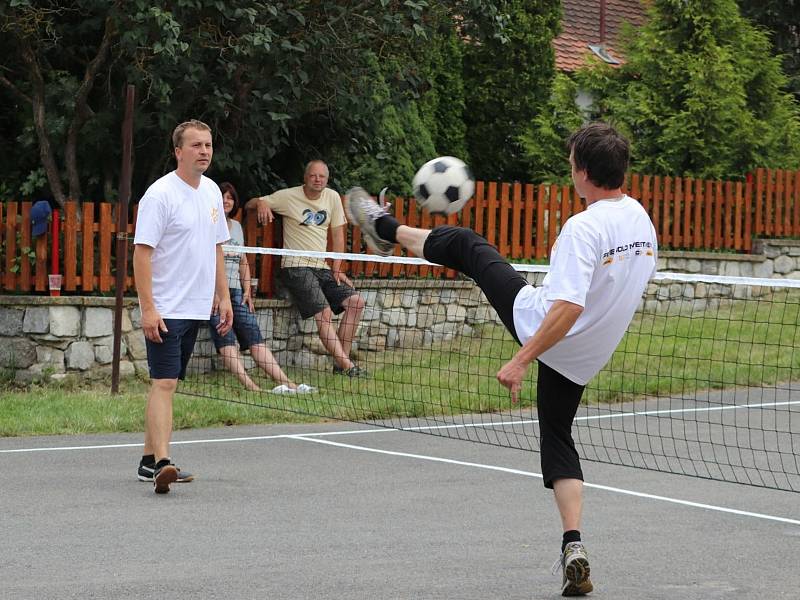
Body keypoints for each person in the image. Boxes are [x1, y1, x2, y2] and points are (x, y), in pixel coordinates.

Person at [345, 122, 658, 597]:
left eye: (572, 161)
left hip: (540, 325)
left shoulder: (584, 227)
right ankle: (573, 543)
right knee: (556, 433)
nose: (569, 168)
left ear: (584, 172)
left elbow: (568, 307)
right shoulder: (639, 218)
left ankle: (384, 229)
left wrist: (521, 359)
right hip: (587, 354)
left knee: (469, 244)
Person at [133, 119, 233, 494]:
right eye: (195, 145)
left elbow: (217, 247)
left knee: (168, 385)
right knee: (164, 382)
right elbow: (141, 255)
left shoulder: (210, 192)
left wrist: (223, 296)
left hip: (196, 308)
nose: (204, 151)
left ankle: (147, 460)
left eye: (207, 145)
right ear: (178, 151)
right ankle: (162, 462)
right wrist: (148, 309)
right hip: (165, 308)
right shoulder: (159, 195)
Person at [245, 160, 368, 377]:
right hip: (296, 266)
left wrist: (337, 267)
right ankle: (349, 368)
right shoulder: (288, 196)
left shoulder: (332, 198)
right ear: (305, 177)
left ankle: (341, 365)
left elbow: (338, 234)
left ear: (327, 179)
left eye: (322, 176)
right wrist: (261, 203)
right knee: (325, 313)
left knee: (356, 303)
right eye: (313, 175)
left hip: (322, 267)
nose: (317, 180)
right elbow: (249, 204)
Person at [211, 181, 314, 394]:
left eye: (230, 197)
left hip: (236, 293)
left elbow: (243, 262)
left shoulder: (237, 228)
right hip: (214, 295)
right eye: (222, 196)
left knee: (255, 336)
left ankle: (288, 383)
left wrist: (247, 290)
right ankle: (251, 387)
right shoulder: (207, 225)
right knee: (226, 338)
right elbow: (201, 263)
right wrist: (214, 294)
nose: (226, 201)